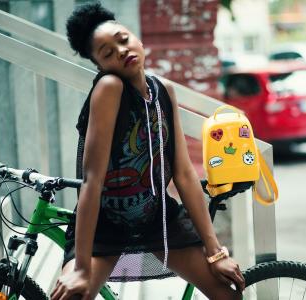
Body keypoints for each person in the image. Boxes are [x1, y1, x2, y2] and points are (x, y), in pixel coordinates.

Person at [50, 3, 245, 300]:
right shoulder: (110, 88)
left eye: (123, 38)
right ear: (101, 66)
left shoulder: (163, 89)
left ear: (137, 39)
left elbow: (183, 173)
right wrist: (80, 268)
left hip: (157, 218)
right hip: (106, 225)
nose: (120, 50)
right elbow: (92, 181)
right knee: (74, 295)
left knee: (228, 293)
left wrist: (216, 252)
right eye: (106, 52)